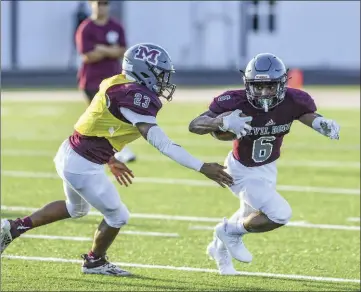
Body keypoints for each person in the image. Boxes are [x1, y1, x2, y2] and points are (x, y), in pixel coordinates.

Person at [0, 43, 246, 277]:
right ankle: (95, 261)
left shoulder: (117, 83)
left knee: (75, 209)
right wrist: (202, 167)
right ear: (143, 72)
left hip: (71, 151)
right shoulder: (134, 97)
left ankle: (13, 228)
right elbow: (163, 144)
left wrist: (111, 158)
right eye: (160, 74)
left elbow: (100, 125)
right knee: (118, 217)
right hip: (83, 164)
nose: (164, 81)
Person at [188, 53, 341, 275]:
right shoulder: (234, 100)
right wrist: (219, 121)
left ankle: (218, 249)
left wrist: (320, 123)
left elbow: (307, 115)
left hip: (268, 168)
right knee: (279, 214)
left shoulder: (295, 100)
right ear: (247, 84)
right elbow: (194, 125)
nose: (263, 92)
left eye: (269, 86)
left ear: (281, 84)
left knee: (247, 215)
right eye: (257, 86)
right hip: (241, 171)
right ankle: (229, 232)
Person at [75, 0, 135, 163]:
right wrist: (110, 50)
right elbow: (88, 55)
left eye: (105, 3)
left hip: (114, 79)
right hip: (92, 80)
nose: (102, 6)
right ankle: (95, 151)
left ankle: (116, 150)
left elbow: (122, 51)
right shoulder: (86, 28)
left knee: (119, 114)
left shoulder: (116, 26)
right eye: (98, 3)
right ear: (91, 5)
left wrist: (100, 48)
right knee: (99, 118)